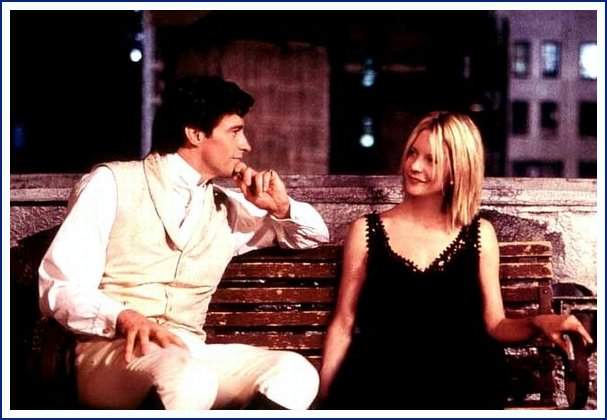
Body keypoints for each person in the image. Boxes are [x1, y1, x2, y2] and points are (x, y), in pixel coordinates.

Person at [38, 76, 330, 410]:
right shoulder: (111, 183)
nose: (246, 145)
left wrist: (280, 207)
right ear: (195, 134)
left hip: (188, 351)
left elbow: (311, 235)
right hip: (111, 351)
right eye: (235, 132)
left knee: (294, 373)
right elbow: (59, 285)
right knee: (189, 378)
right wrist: (122, 316)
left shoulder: (227, 207)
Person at [318, 111, 592, 409]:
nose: (414, 166)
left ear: (456, 171)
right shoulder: (366, 231)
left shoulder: (480, 235)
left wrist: (538, 322)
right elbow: (343, 323)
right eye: (412, 153)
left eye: (431, 160)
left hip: (462, 382)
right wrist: (326, 398)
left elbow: (496, 325)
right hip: (380, 381)